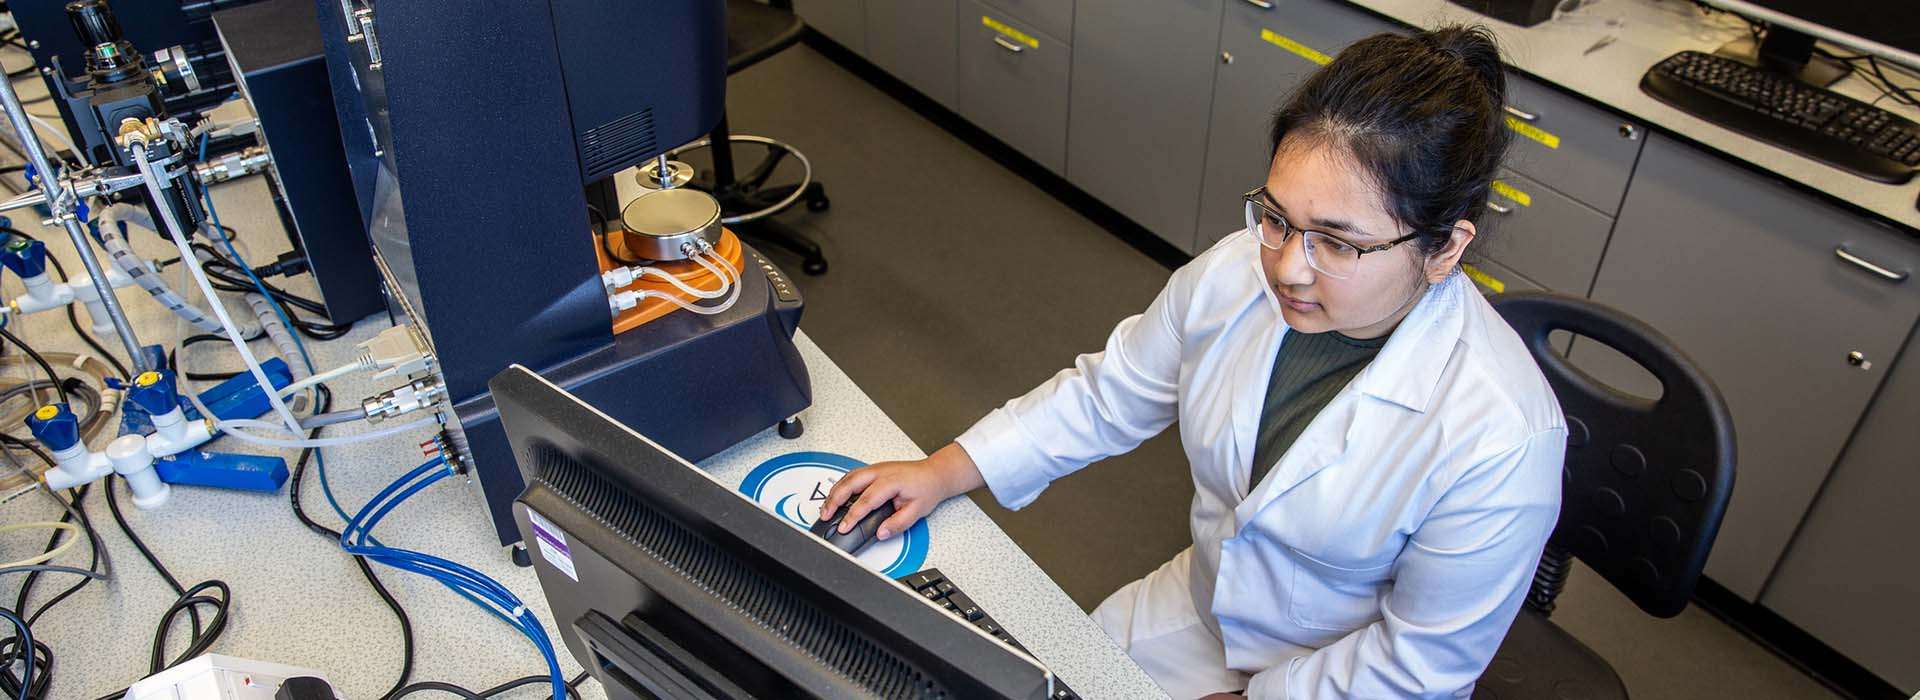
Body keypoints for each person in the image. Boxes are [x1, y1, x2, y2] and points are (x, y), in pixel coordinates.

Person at [821, 25, 1565, 699]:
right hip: (1202, 611)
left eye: (1336, 243)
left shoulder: (1501, 435)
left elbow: (1418, 664)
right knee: (1053, 682)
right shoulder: (1237, 273)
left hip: (1347, 683)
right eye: (1277, 217)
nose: (1287, 269)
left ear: (1446, 248)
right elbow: (1108, 397)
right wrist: (944, 469)